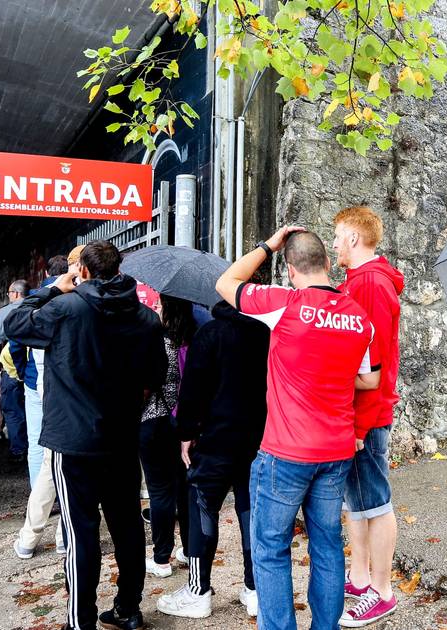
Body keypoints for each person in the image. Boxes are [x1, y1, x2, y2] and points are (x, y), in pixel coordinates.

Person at [214, 227, 381, 630]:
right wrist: (333, 372)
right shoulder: (359, 317)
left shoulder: (282, 302)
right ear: (327, 264)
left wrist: (267, 245)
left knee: (271, 548)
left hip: (285, 453)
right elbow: (371, 380)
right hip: (336, 451)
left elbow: (225, 282)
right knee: (326, 544)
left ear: (290, 271)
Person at [6, 241, 166, 630]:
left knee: (82, 531)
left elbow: (13, 323)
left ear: (85, 272)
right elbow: (156, 375)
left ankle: (81, 620)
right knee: (127, 526)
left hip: (73, 439)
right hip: (122, 436)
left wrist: (52, 289)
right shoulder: (145, 317)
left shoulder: (66, 306)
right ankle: (128, 608)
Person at [154, 300, 271, 619]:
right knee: (251, 512)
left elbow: (192, 392)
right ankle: (255, 588)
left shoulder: (208, 335)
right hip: (255, 439)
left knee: (202, 508)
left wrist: (185, 433)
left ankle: (198, 589)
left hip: (213, 442)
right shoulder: (265, 333)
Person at [331, 206, 405, 626]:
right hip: (359, 413)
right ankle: (360, 579)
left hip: (367, 415)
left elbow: (372, 364)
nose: (336, 243)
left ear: (355, 239)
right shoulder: (360, 281)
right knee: (357, 500)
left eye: (339, 236)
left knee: (375, 502)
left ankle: (382, 591)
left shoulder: (371, 284)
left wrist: (358, 425)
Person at [11, 254, 72, 561]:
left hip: (53, 394)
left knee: (50, 461)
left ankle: (30, 537)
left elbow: (15, 329)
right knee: (69, 468)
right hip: (86, 401)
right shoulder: (96, 306)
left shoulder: (50, 302)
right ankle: (63, 536)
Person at [141, 295, 195, 578]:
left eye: (160, 306)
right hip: (182, 424)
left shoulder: (154, 341)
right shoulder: (190, 341)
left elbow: (144, 385)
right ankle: (188, 550)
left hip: (151, 421)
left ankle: (161, 559)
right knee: (184, 490)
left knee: (160, 492)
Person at [0, 280, 30, 464]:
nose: (8, 296)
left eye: (9, 292)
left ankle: (18, 449)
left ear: (16, 293)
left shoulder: (4, 312)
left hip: (11, 369)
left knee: (12, 409)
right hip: (36, 369)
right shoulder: (41, 305)